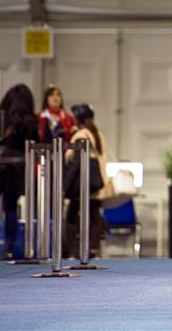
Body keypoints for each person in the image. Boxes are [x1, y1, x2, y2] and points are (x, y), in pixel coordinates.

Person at [0, 84, 38, 259]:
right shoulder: (30, 119)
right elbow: (34, 142)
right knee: (11, 208)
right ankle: (10, 250)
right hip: (16, 169)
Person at [63, 103, 111, 258]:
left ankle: (70, 251)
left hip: (82, 184)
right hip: (97, 183)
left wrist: (65, 185)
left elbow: (76, 162)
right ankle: (93, 250)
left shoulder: (81, 135)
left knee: (71, 216)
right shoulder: (98, 134)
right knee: (95, 216)